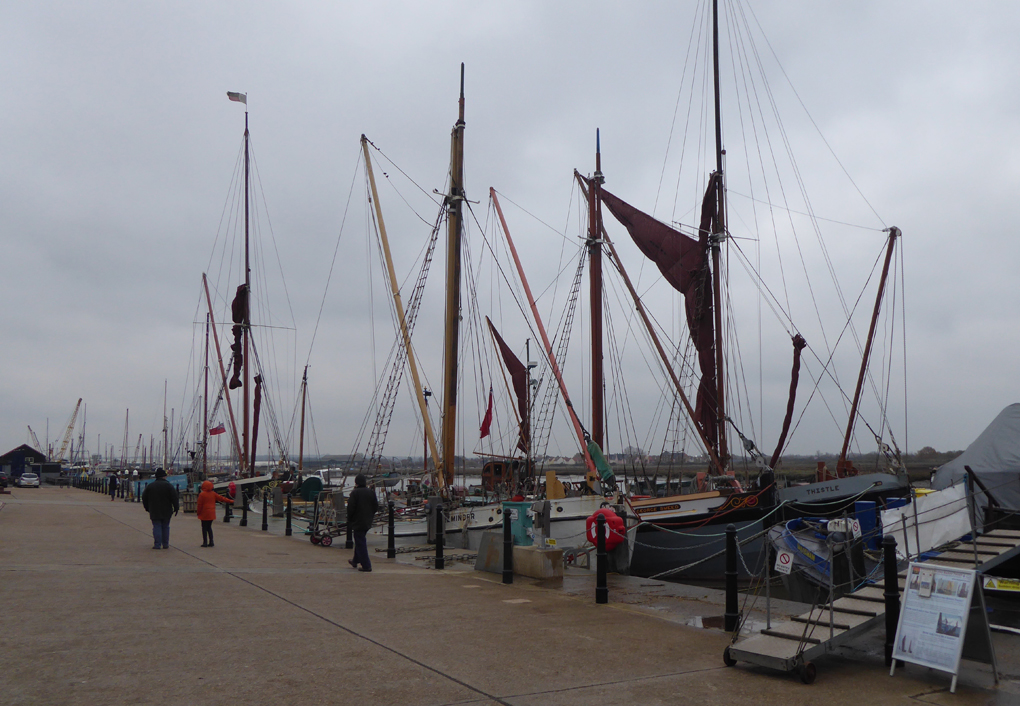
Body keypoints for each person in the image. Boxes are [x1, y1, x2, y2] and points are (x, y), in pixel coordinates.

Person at [346, 474, 378, 572]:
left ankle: (366, 565)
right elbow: (375, 506)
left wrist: (350, 519)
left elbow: (350, 508)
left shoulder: (355, 493)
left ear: (356, 482)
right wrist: (370, 515)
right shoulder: (371, 492)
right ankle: (355, 560)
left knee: (360, 542)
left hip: (358, 521)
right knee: (360, 540)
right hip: (367, 520)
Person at [141, 469, 179, 550]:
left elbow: (144, 498)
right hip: (167, 510)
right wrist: (176, 508)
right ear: (164, 476)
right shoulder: (169, 486)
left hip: (154, 510)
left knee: (156, 526)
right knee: (165, 527)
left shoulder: (150, 486)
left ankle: (157, 544)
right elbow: (174, 498)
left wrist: (147, 508)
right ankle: (165, 544)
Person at [196, 480, 232, 547]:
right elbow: (221, 498)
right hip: (211, 513)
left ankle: (205, 542)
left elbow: (199, 505)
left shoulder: (202, 494)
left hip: (204, 513)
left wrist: (198, 512)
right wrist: (231, 501)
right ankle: (211, 541)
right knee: (209, 527)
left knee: (204, 528)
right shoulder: (213, 493)